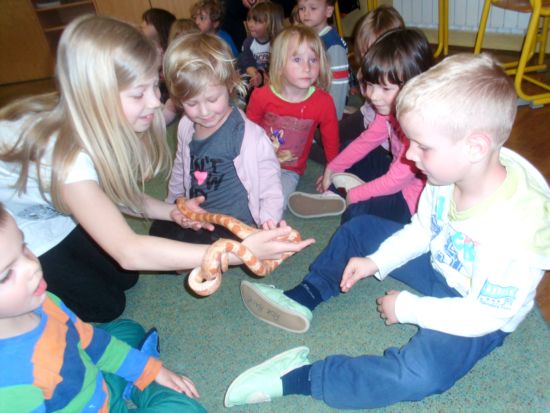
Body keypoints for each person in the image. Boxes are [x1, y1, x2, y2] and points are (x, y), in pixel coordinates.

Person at [223, 53, 550, 409]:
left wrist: (408, 308)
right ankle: (306, 295)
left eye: (423, 146)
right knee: (361, 230)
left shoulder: (515, 233)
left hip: (479, 309)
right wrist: (377, 261)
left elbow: (483, 315)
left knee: (421, 375)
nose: (409, 156)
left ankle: (302, 377)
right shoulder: (448, 175)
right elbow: (422, 230)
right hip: (444, 263)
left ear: (475, 147)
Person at [0, 15, 313, 323]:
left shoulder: (93, 131)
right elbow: (129, 251)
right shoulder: (68, 160)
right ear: (96, 96)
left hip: (56, 209)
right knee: (107, 306)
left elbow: (114, 195)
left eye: (154, 86)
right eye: (139, 93)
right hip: (13, 230)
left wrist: (173, 211)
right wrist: (235, 252)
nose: (155, 102)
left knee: (126, 278)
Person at [0, 203, 205, 412]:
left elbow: (89, 340)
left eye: (24, 247)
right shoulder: (10, 384)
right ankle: (136, 383)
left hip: (96, 385)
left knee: (126, 330)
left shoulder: (44, 300)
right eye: (6, 274)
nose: (31, 265)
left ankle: (133, 382)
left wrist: (149, 370)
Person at [149, 32, 284, 244]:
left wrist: (269, 222)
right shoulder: (186, 126)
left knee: (200, 248)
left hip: (234, 225)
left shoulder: (248, 136)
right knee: (158, 229)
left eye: (212, 99)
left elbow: (270, 184)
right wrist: (172, 203)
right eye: (192, 103)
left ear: (229, 85)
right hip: (198, 215)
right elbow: (181, 166)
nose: (204, 112)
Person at [288, 29, 433, 224]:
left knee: (356, 214)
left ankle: (348, 194)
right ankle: (334, 194)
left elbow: (395, 181)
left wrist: (356, 194)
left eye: (385, 88)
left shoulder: (419, 128)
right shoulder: (389, 110)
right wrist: (332, 168)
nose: (373, 95)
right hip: (393, 173)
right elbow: (366, 141)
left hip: (411, 201)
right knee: (348, 146)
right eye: (371, 85)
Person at [245, 25, 339, 209]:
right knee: (240, 194)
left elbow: (331, 141)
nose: (307, 68)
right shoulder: (261, 96)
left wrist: (331, 172)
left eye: (313, 60)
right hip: (256, 162)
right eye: (297, 59)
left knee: (275, 202)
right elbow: (247, 134)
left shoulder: (323, 102)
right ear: (280, 65)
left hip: (288, 171)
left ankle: (309, 205)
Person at [298, 0, 349, 120]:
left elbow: (338, 87)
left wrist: (332, 120)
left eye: (313, 8)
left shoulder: (333, 46)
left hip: (328, 108)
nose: (306, 13)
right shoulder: (306, 37)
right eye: (302, 8)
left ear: (329, 11)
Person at [238, 1, 284, 95]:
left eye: (257, 21)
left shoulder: (278, 43)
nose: (251, 24)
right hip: (253, 77)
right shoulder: (248, 42)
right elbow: (247, 63)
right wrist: (256, 76)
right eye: (249, 20)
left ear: (270, 24)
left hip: (271, 79)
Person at [164, 19, 200, 125]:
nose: (183, 44)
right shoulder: (172, 61)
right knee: (170, 104)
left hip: (197, 96)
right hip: (179, 100)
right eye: (178, 40)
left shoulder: (200, 59)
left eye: (188, 39)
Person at [140, 8, 177, 103]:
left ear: (160, 26)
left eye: (147, 23)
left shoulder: (171, 50)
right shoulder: (145, 49)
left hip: (169, 94)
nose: (142, 25)